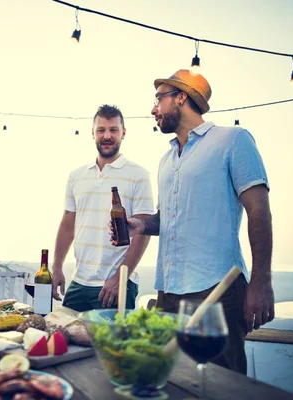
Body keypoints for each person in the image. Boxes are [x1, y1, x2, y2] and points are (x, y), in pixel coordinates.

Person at [115, 69, 275, 374]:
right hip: (168, 293)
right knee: (169, 379)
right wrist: (140, 225)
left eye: (158, 99)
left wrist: (261, 282)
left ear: (181, 97)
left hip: (216, 289)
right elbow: (169, 219)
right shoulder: (167, 159)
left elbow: (259, 211)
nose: (153, 109)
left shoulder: (233, 140)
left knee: (222, 385)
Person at [51, 105, 155, 312]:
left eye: (113, 130)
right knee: (65, 341)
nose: (107, 135)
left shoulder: (139, 174)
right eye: (101, 130)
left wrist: (119, 277)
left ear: (123, 133)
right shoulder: (76, 176)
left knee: (111, 345)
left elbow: (143, 233)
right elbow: (67, 224)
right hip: (79, 283)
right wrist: (56, 267)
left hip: (117, 286)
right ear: (93, 133)